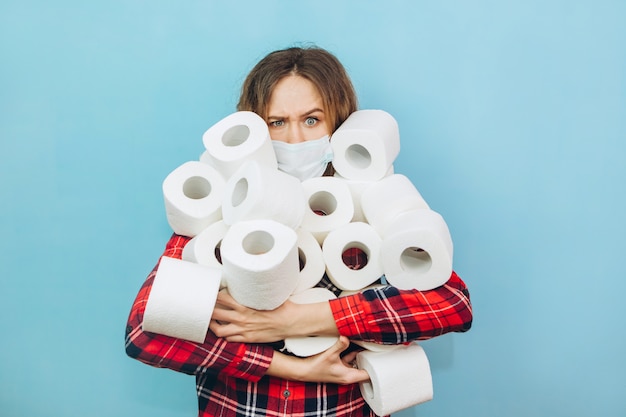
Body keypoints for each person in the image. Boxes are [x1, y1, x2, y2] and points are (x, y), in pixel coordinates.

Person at [125, 45, 473, 417]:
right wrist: (290, 366)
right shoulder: (223, 211)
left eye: (311, 120)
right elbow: (146, 331)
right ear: (256, 130)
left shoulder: (361, 209)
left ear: (337, 125)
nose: (294, 140)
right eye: (277, 122)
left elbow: (452, 304)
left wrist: (299, 318)